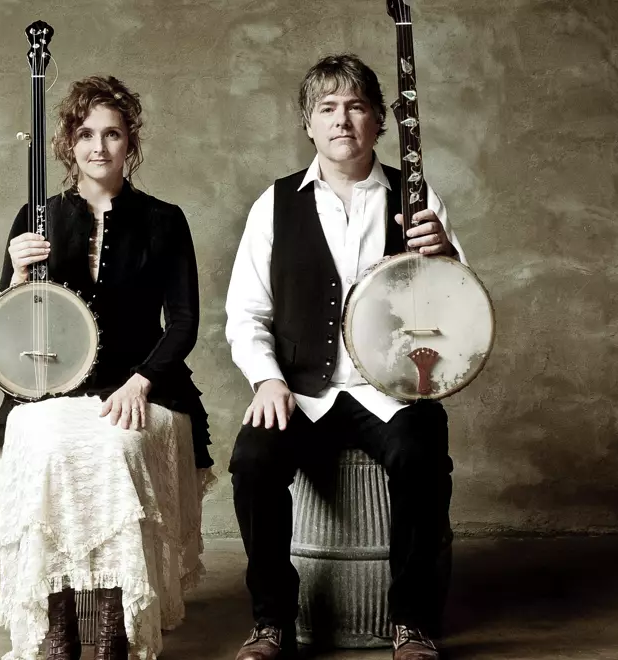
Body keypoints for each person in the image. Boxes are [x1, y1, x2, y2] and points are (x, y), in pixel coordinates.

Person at [225, 54, 466, 660]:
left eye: (356, 106)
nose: (342, 120)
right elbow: (246, 314)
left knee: (423, 450)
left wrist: (446, 259)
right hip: (302, 391)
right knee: (252, 461)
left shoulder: (418, 196)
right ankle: (271, 622)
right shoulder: (274, 204)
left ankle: (412, 622)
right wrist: (266, 380)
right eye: (327, 108)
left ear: (379, 120)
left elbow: (458, 306)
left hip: (389, 392)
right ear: (309, 124)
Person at [0, 75, 215, 660]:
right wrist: (15, 275)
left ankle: (114, 626)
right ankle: (59, 626)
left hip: (145, 381)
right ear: (67, 143)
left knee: (117, 449)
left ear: (130, 142)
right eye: (86, 133)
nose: (99, 147)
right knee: (43, 447)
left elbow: (184, 323)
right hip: (52, 388)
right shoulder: (35, 217)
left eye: (112, 133)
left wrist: (143, 379)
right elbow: (2, 328)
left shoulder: (166, 220)